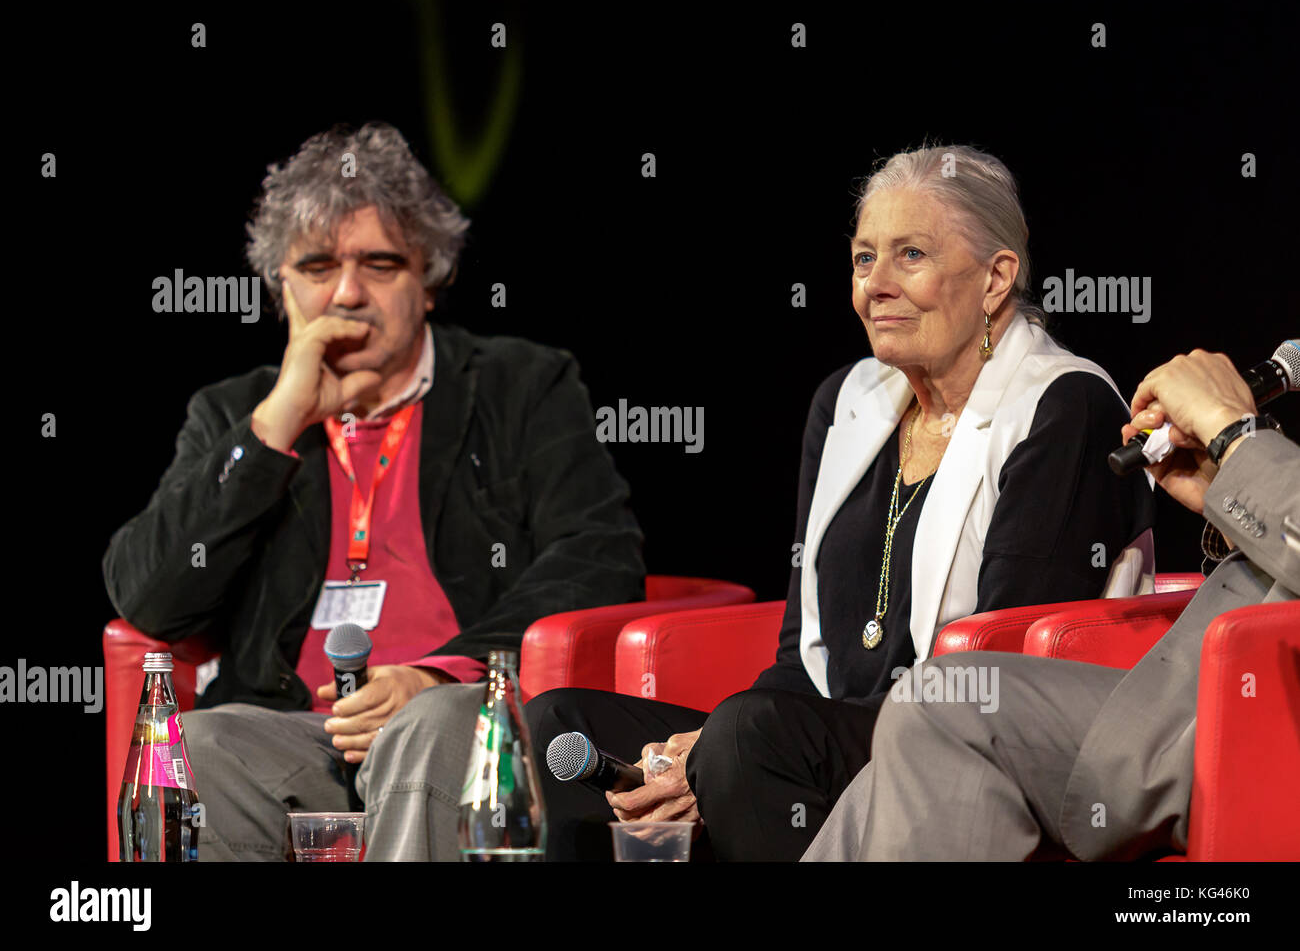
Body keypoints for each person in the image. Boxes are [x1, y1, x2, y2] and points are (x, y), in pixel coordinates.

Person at [527, 145, 1157, 861]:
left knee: (749, 735)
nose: (875, 287)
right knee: (556, 721)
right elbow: (801, 655)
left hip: (963, 745)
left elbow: (993, 676)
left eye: (909, 256)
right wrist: (695, 755)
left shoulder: (1064, 406)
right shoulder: (846, 403)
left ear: (995, 278)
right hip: (828, 737)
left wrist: (727, 744)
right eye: (863, 260)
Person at [102, 122, 644, 860]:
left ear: (428, 280)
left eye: (381, 264)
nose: (348, 293)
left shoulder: (523, 386)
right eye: (319, 265)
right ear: (280, 285)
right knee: (190, 748)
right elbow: (148, 597)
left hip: (447, 717)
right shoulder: (237, 414)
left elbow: (599, 554)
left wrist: (434, 674)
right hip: (297, 732)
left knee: (432, 726)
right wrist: (278, 424)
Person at [803, 347, 1299, 861]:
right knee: (899, 757)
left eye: (911, 258)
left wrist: (1236, 435)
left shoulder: (1065, 396)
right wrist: (1228, 492)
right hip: (1195, 694)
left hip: (1259, 728)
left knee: (948, 702)